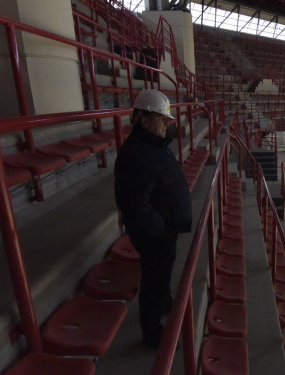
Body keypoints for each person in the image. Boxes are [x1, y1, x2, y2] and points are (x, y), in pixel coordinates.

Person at [114, 89, 192, 349]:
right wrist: (161, 228)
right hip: (156, 233)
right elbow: (135, 205)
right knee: (153, 279)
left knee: (162, 273)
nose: (166, 124)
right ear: (144, 119)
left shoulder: (150, 144)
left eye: (167, 120)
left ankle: (164, 300)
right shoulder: (137, 153)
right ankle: (152, 333)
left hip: (163, 229)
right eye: (161, 119)